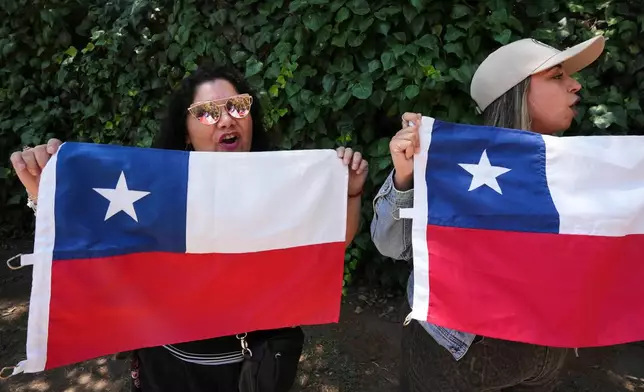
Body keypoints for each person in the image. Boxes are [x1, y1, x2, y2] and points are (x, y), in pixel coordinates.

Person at [9, 64, 369, 391]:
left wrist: (350, 195)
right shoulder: (151, 191)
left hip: (248, 367)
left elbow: (329, 245)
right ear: (186, 131)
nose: (226, 120)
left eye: (237, 106)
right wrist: (48, 193)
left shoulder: (286, 183)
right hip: (166, 366)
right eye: (207, 113)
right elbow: (93, 245)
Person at [371, 36, 605, 392]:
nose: (576, 84)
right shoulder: (452, 164)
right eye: (556, 76)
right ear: (516, 92)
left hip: (545, 351)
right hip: (458, 351)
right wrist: (405, 176)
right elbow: (392, 247)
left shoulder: (582, 168)